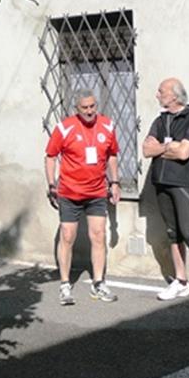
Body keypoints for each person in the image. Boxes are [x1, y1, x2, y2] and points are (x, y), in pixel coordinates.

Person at [142, 77, 189, 309]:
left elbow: (185, 152)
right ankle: (181, 280)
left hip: (182, 183)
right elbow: (146, 150)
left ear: (174, 96)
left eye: (161, 91)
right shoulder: (160, 120)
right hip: (161, 182)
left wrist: (164, 148)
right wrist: (169, 147)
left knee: (188, 232)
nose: (157, 95)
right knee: (172, 233)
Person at [45, 89, 121, 305]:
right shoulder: (64, 128)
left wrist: (115, 182)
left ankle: (98, 283)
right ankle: (65, 284)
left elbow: (112, 154)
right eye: (84, 108)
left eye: (92, 106)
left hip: (96, 192)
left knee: (98, 236)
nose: (89, 111)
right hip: (69, 193)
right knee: (67, 236)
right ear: (76, 109)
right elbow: (50, 156)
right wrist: (51, 184)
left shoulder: (107, 126)